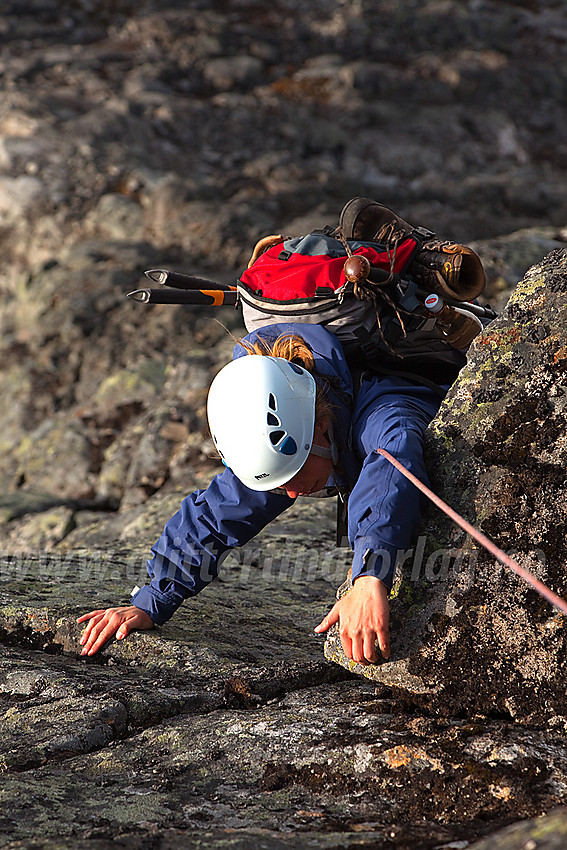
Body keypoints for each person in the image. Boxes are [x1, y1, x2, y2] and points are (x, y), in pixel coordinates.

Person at [78, 322, 446, 664]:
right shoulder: (287, 436)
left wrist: (368, 579)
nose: (288, 495)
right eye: (276, 484)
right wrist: (151, 601)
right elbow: (217, 514)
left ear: (321, 426)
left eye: (291, 476)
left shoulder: (384, 418)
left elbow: (390, 465)